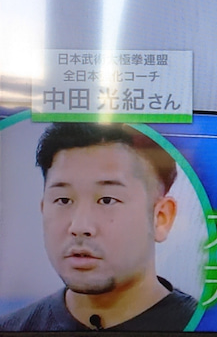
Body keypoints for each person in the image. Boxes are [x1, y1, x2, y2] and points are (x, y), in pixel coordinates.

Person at [0, 123, 197, 331]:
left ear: (161, 217)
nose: (79, 226)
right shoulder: (12, 328)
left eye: (107, 200)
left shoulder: (208, 323)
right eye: (63, 200)